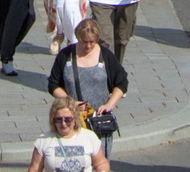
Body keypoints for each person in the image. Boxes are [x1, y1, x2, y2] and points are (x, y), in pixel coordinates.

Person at [48, 17, 130, 152]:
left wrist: (110, 104)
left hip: (99, 123)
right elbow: (53, 84)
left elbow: (121, 83)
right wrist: (70, 103)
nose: (88, 46)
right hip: (73, 122)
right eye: (84, 41)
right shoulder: (65, 55)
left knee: (100, 164)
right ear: (77, 37)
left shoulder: (105, 55)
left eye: (92, 42)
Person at [28, 100, 110, 172]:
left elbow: (101, 163)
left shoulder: (89, 136)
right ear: (53, 120)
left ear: (75, 119)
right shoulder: (44, 140)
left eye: (68, 119)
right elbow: (34, 169)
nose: (63, 124)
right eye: (58, 119)